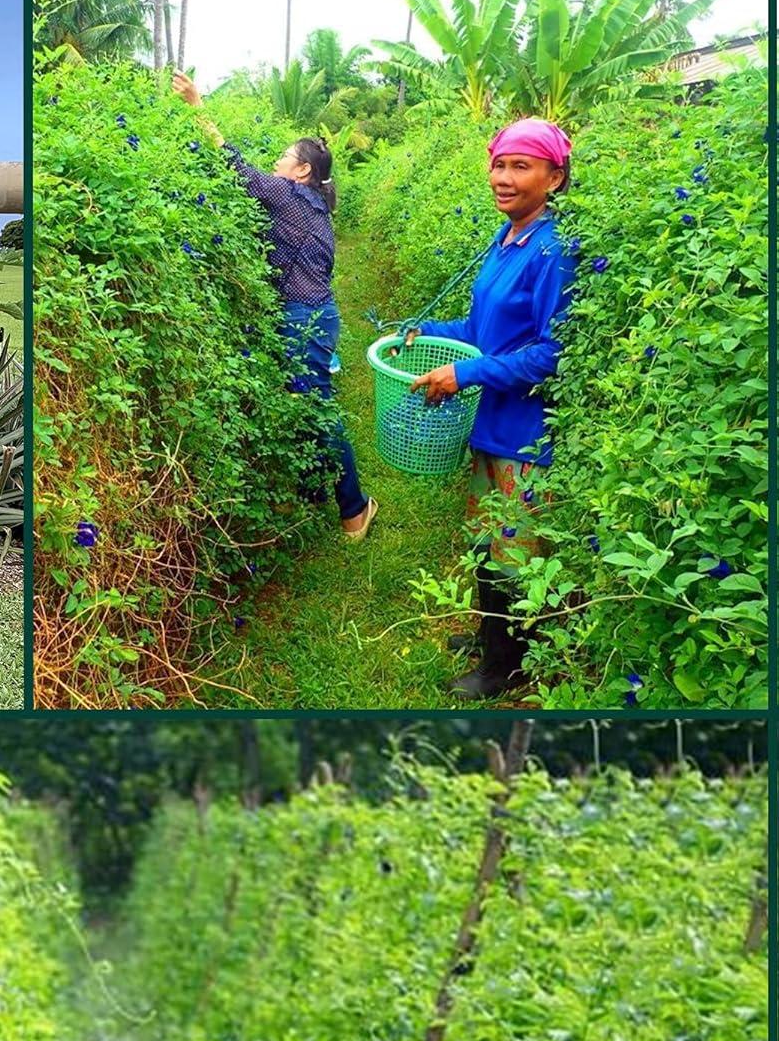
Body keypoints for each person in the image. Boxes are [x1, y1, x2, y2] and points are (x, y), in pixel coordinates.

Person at [407, 118, 576, 699]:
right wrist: (428, 331)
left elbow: (551, 354)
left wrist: (467, 371)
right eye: (499, 164)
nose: (503, 178)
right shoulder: (508, 241)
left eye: (520, 166)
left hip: (525, 434)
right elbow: (484, 330)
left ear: (554, 177)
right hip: (492, 425)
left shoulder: (553, 250)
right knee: (488, 545)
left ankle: (508, 666)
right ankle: (491, 637)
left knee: (514, 556)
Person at [173, 70, 377, 540]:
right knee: (305, 405)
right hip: (314, 315)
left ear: (302, 170)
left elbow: (236, 169)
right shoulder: (315, 203)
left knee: (318, 411)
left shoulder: (289, 195)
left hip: (305, 318)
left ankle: (354, 508)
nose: (278, 162)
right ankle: (311, 489)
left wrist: (197, 106)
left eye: (284, 158)